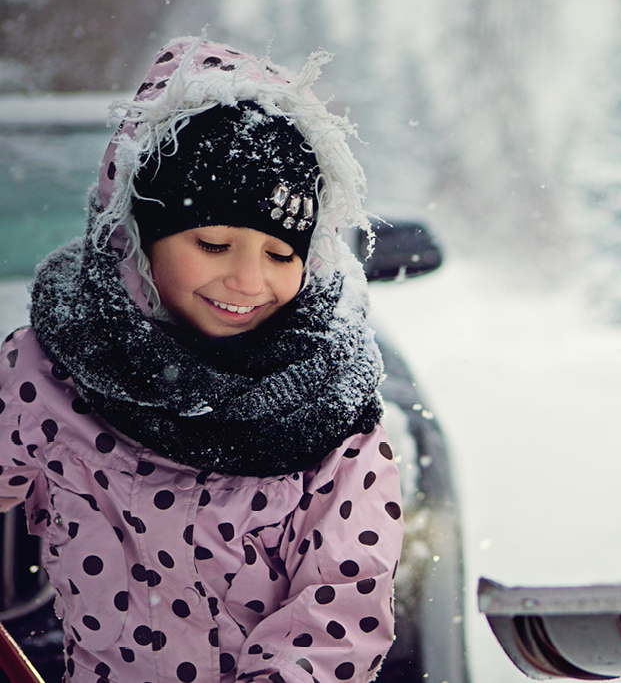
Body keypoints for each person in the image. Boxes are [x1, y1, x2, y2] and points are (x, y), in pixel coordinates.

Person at [0, 37, 403, 683]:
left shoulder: (330, 413)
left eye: (279, 255)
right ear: (141, 237)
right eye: (213, 244)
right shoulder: (53, 372)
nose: (247, 281)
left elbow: (340, 606)